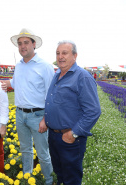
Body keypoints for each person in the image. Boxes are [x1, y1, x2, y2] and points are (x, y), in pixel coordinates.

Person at [45, 40, 101, 185]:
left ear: (75, 56)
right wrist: (45, 118)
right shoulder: (57, 74)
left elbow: (93, 111)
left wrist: (74, 133)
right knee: (60, 174)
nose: (60, 56)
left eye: (65, 53)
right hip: (54, 136)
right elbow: (52, 101)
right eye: (58, 53)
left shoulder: (82, 77)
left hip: (70, 138)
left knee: (72, 179)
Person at [4, 28, 54, 185]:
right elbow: (14, 83)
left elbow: (52, 95)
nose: (22, 46)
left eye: (26, 43)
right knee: (25, 150)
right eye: (19, 44)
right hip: (20, 115)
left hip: (38, 116)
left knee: (43, 153)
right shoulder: (18, 66)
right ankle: (27, 178)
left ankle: (49, 180)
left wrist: (46, 119)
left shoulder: (45, 66)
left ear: (34, 44)